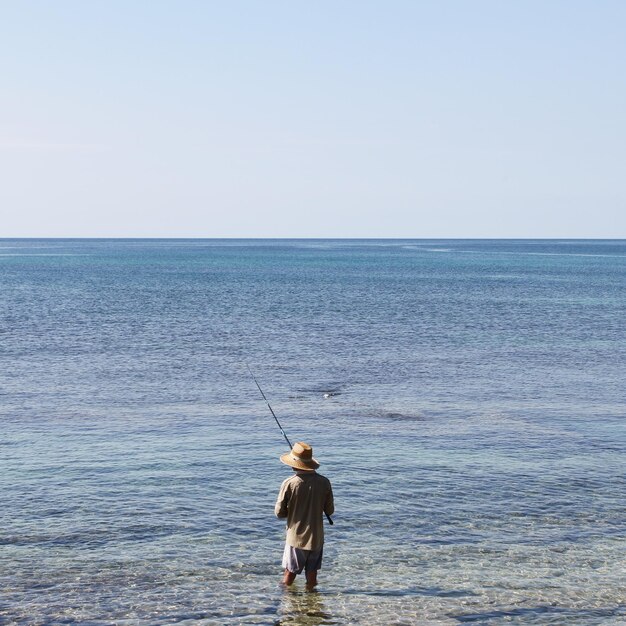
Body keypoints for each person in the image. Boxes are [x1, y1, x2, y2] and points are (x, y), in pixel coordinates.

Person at [275, 441, 334, 589]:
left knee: (289, 575)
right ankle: (312, 605)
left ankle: (284, 605)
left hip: (296, 538)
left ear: (294, 462)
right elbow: (330, 511)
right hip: (317, 538)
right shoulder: (325, 482)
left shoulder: (289, 483)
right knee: (312, 576)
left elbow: (279, 513)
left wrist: (294, 511)